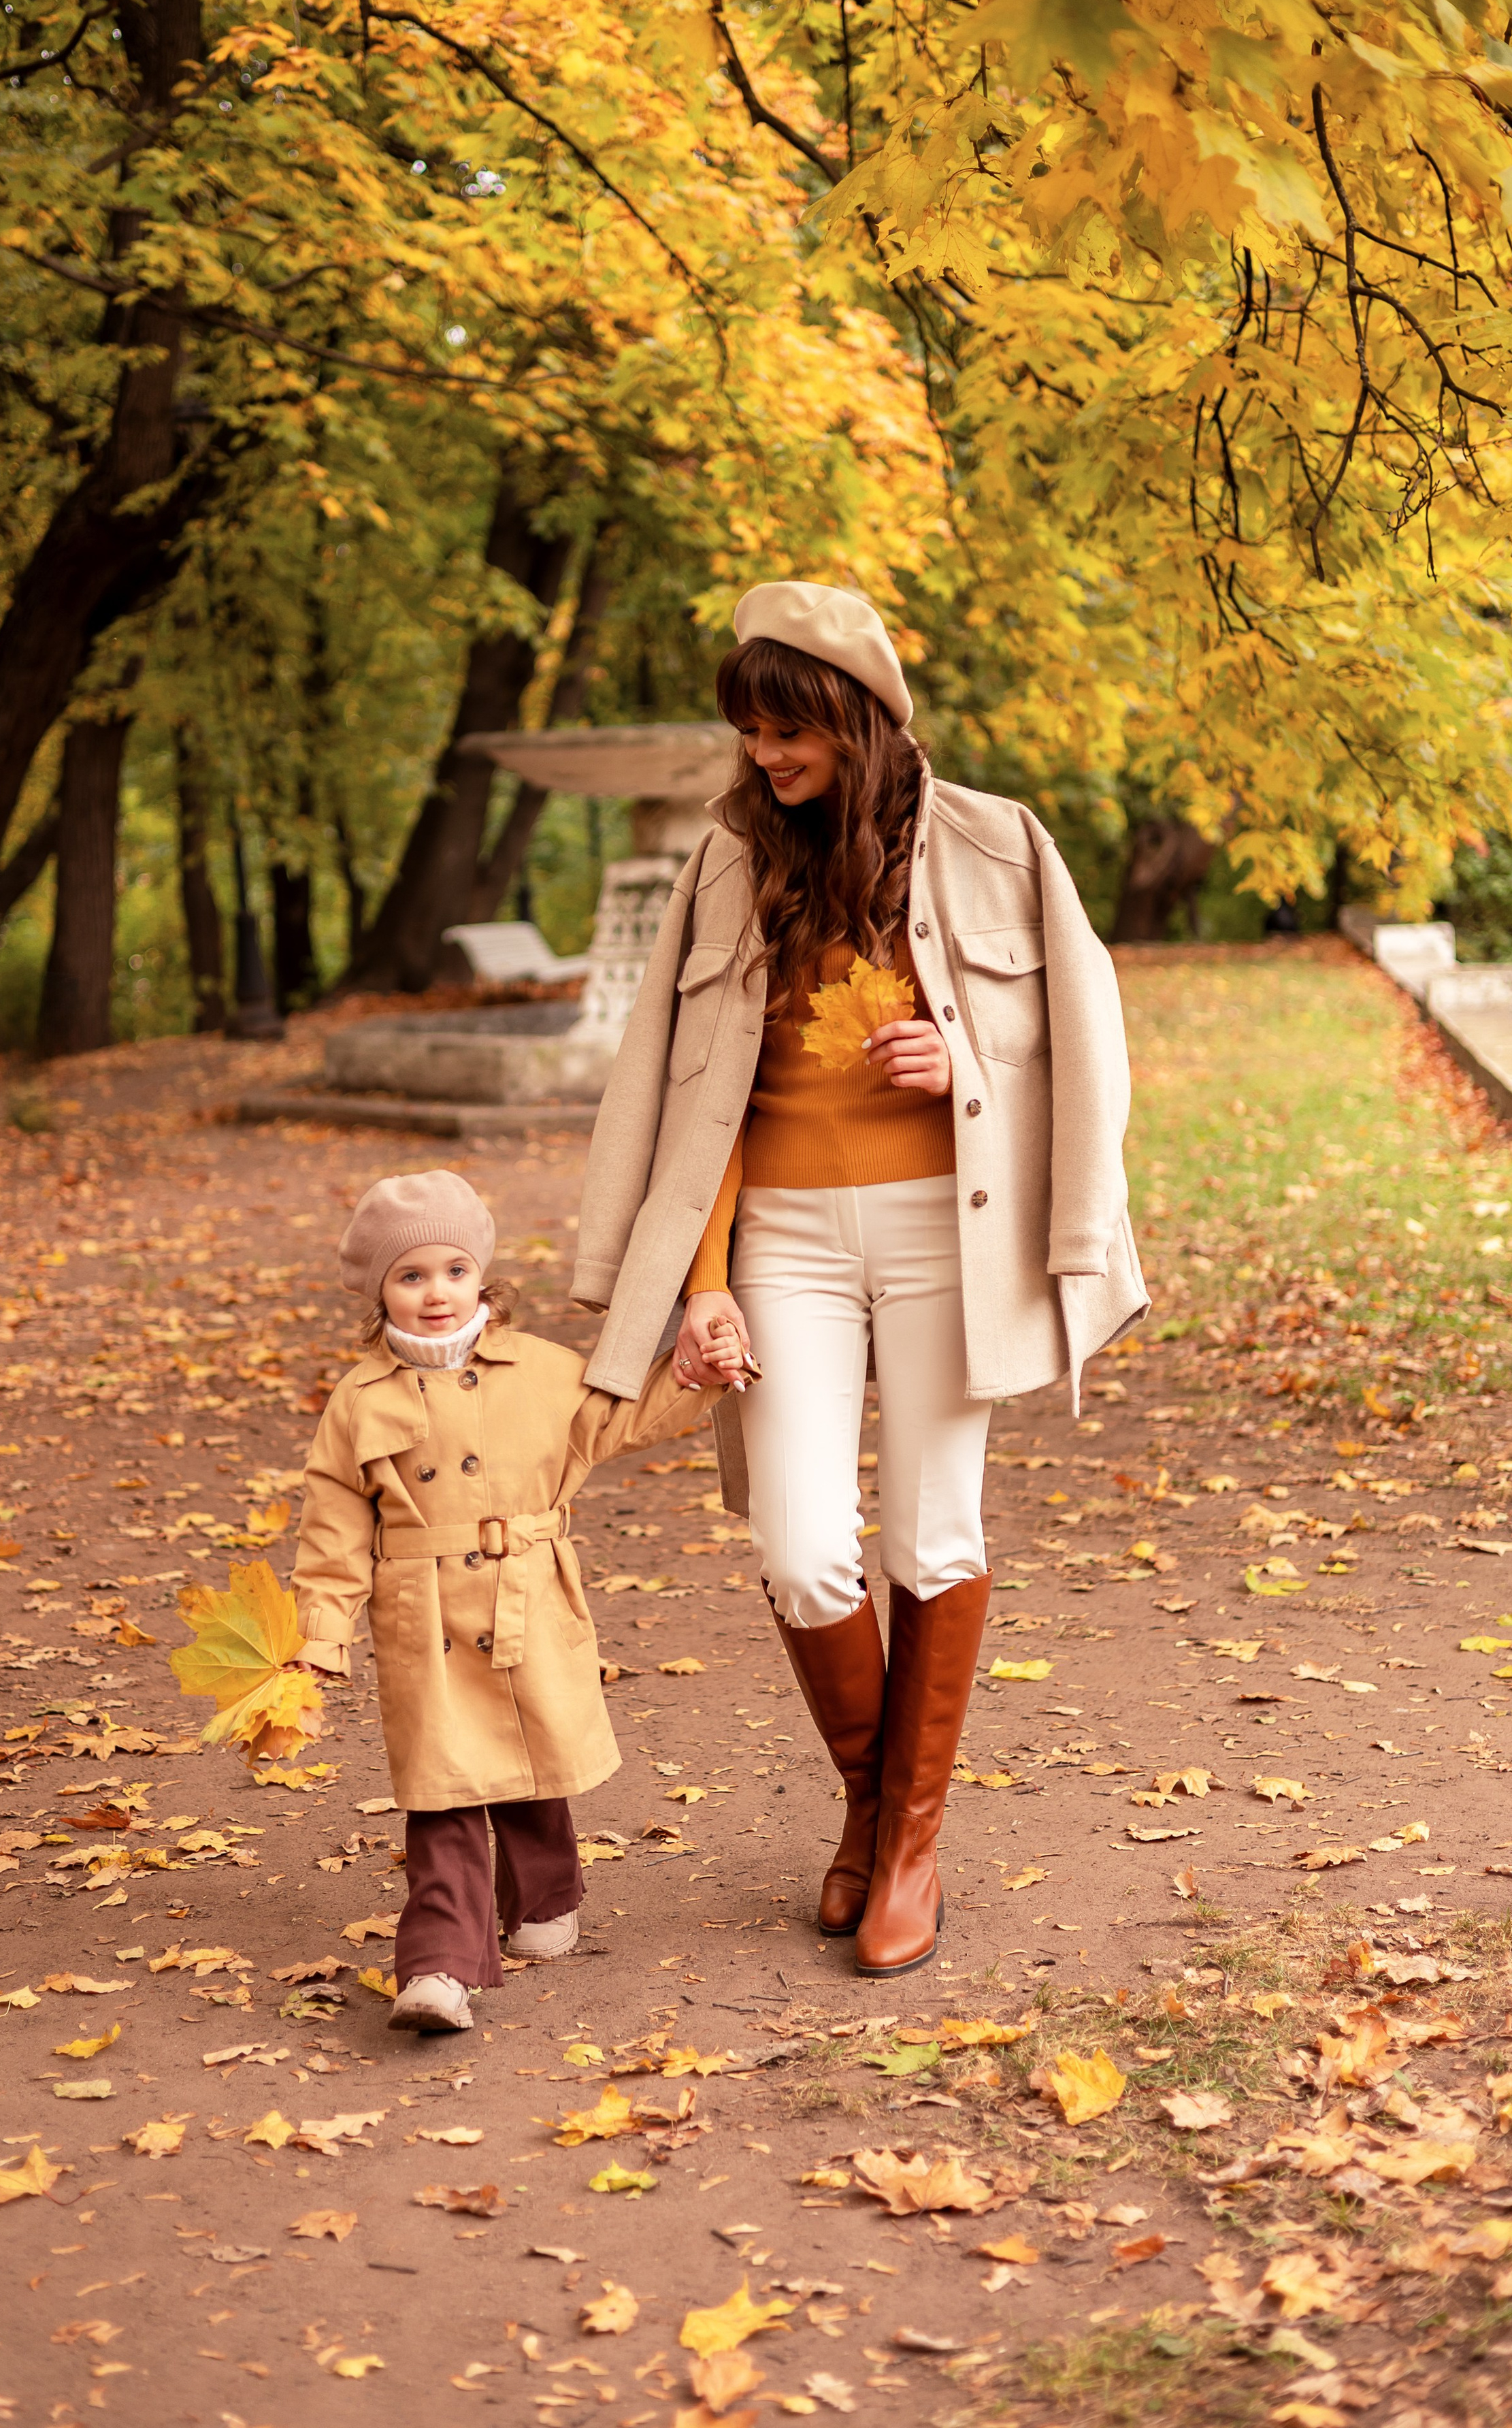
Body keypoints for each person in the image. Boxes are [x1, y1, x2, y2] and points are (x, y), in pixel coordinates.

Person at [573, 581, 1147, 1979]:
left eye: (788, 729)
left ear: (858, 716)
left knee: (933, 1538)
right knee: (800, 1547)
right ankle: (872, 1802)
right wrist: (702, 1279)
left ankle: (904, 1849)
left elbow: (1087, 1047)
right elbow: (693, 1094)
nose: (764, 754)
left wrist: (965, 1066)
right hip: (782, 1239)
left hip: (951, 1230)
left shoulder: (999, 842)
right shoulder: (729, 861)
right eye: (750, 730)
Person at [285, 1169, 730, 2035]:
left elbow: (620, 1418)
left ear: (482, 1277)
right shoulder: (358, 1402)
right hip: (422, 1612)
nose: (436, 1293)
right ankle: (439, 1966)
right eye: (411, 1276)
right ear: (378, 1292)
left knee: (531, 1753)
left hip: (527, 1589)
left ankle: (544, 1897)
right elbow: (333, 1530)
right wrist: (320, 1637)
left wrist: (697, 1371)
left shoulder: (542, 1369)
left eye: (454, 1271)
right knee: (443, 1785)